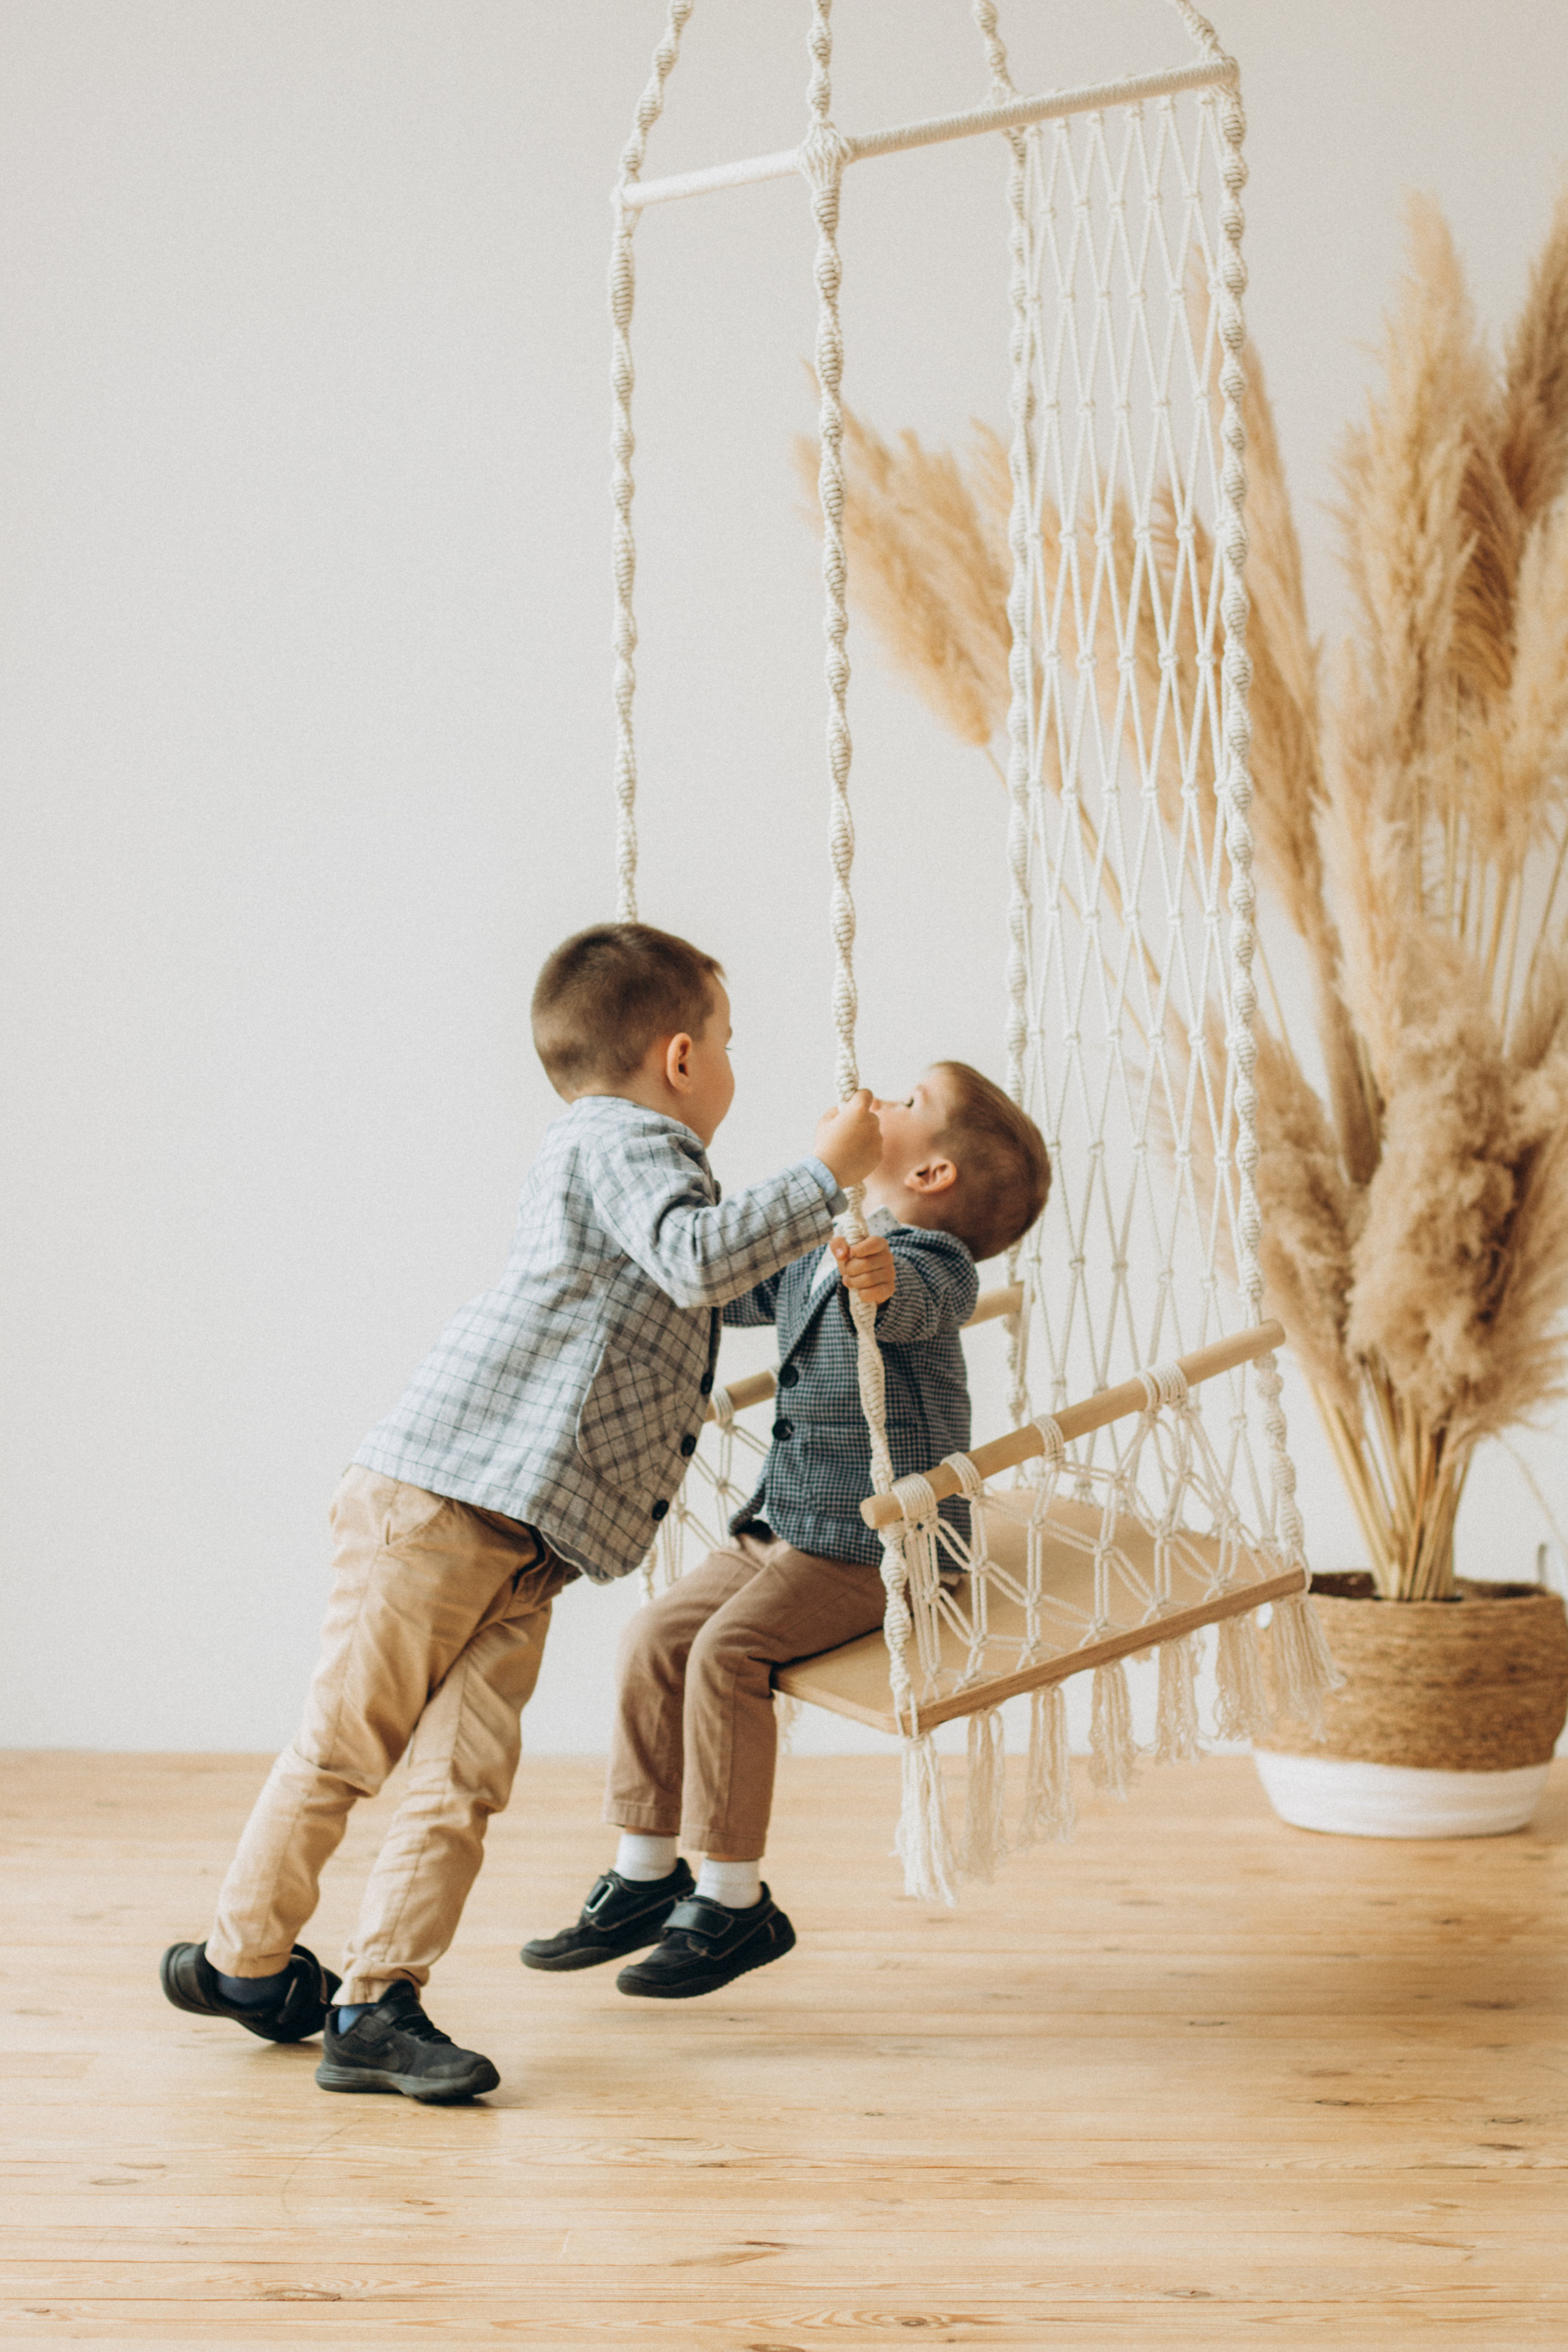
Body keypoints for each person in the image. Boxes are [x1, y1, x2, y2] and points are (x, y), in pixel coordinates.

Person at [159, 922, 883, 2101]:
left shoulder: (645, 1168)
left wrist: (829, 1267)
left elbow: (716, 1286)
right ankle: (242, 1961)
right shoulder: (618, 1140)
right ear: (683, 1057)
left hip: (526, 1539)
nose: (733, 1067)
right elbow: (697, 1260)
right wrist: (825, 1173)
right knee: (348, 1744)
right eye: (730, 1043)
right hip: (443, 1505)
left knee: (464, 1777)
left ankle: (377, 2002)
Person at [522, 1062, 1049, 2000]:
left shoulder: (927, 1261)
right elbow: (725, 1288)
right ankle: (647, 1870)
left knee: (728, 1654)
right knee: (654, 1637)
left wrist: (878, 1277)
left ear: (930, 1175)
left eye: (909, 1102)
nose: (879, 1097)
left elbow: (920, 1300)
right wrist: (651, 1235)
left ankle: (735, 1900)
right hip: (788, 1521)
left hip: (885, 1543)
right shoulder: (824, 1244)